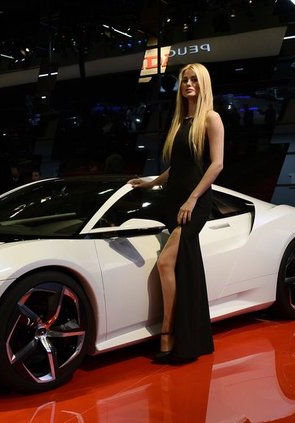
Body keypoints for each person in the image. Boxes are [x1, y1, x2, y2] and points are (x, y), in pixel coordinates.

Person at [129, 63, 224, 364]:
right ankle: (188, 336)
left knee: (166, 262)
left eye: (194, 79)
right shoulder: (182, 121)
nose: (188, 84)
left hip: (195, 203)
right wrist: (151, 182)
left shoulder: (211, 118)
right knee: (181, 267)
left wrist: (193, 199)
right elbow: (180, 167)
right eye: (184, 80)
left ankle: (168, 334)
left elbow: (217, 164)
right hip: (175, 201)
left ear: (203, 84)